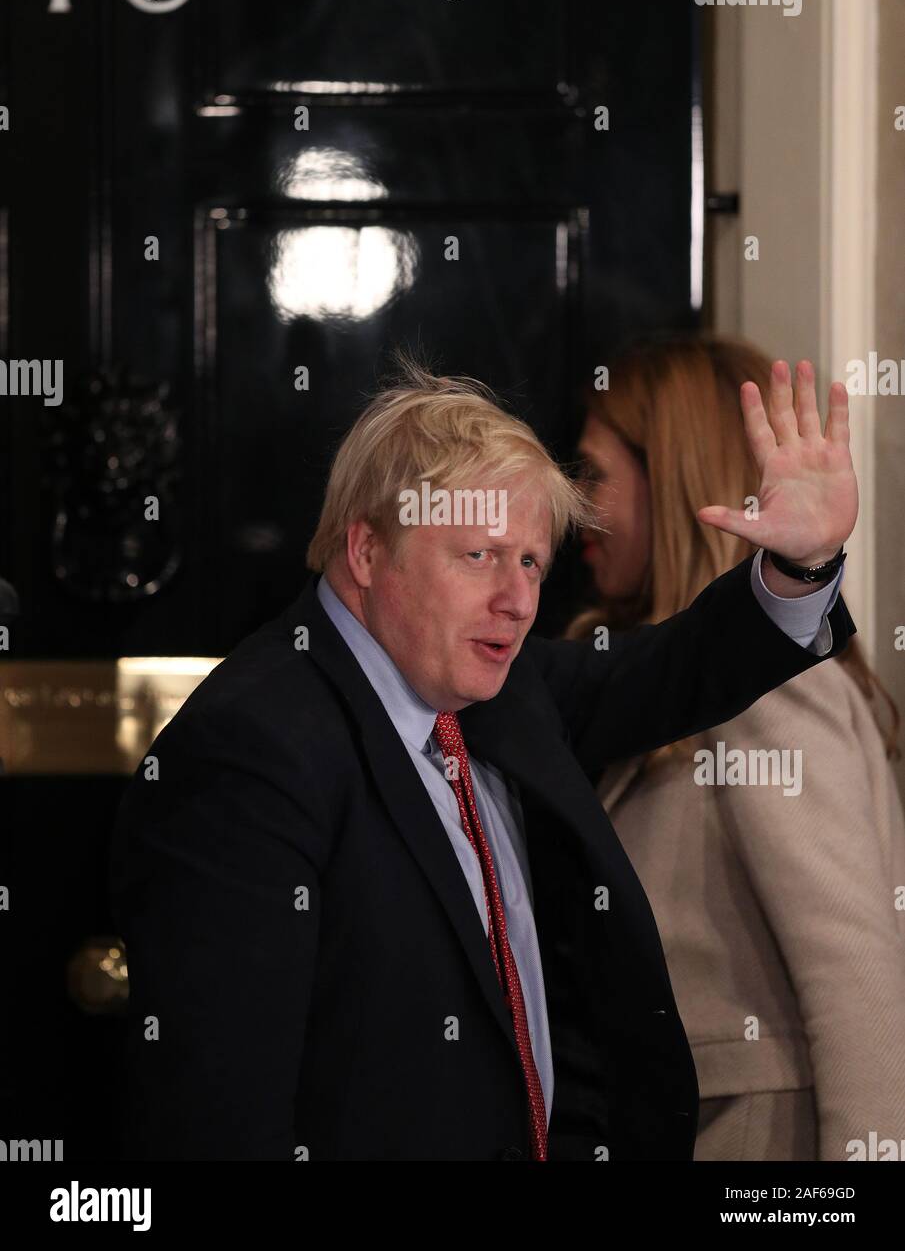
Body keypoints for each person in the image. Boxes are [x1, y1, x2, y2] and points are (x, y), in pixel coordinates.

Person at [110, 350, 858, 1161]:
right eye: (478, 557)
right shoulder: (250, 751)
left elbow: (673, 670)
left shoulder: (494, 686)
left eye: (531, 561)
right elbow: (221, 1122)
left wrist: (797, 566)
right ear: (366, 552)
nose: (518, 599)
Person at [571, 333, 905, 1161]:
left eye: (592, 475)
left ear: (675, 473)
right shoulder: (636, 675)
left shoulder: (771, 687)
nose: (573, 506)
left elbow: (854, 974)